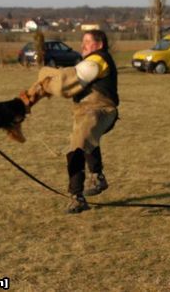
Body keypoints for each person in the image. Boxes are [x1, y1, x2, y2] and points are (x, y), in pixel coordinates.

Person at [35, 30, 119, 213]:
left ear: (99, 45)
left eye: (87, 42)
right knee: (86, 137)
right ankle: (97, 177)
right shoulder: (89, 61)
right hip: (85, 111)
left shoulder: (97, 62)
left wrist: (44, 75)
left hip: (102, 110)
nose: (83, 45)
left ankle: (77, 196)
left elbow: (67, 83)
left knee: (78, 145)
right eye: (83, 42)